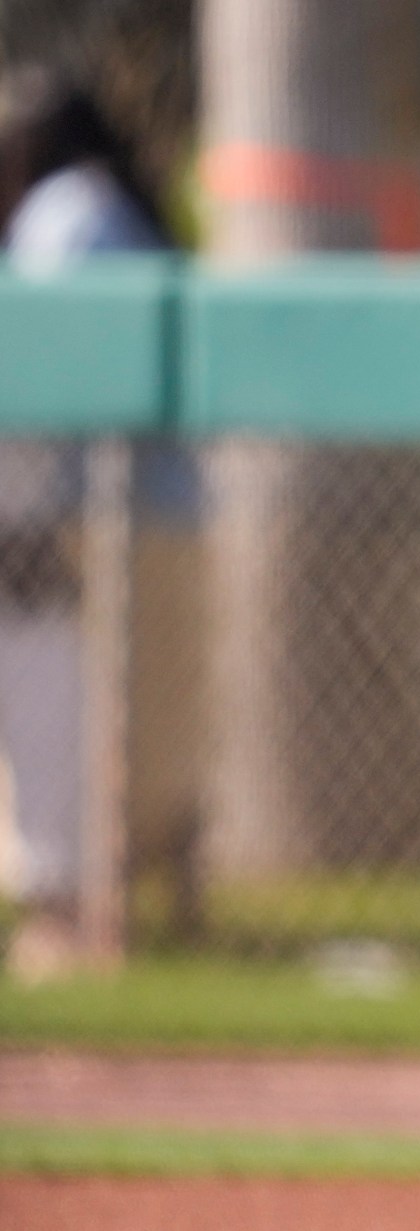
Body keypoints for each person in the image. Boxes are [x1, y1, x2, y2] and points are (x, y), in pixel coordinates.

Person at [0, 67, 172, 978]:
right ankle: (78, 908)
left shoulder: (66, 209)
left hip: (83, 526)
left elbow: (48, 371)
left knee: (82, 734)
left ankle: (73, 916)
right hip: (103, 525)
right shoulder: (91, 202)